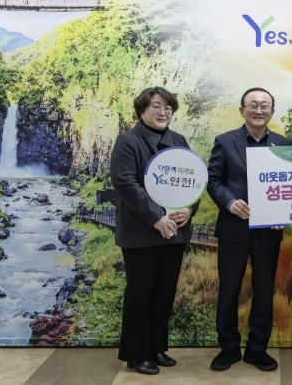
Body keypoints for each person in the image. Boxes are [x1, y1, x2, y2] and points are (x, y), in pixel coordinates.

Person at [110, 87, 198, 375]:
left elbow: (194, 180)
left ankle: (157, 347)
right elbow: (125, 183)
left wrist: (189, 209)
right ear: (142, 110)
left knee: (164, 292)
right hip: (142, 234)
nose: (163, 112)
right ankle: (137, 354)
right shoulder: (128, 141)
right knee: (141, 293)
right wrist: (156, 217)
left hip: (175, 232)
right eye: (157, 106)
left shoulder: (178, 141)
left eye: (168, 108)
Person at [207, 87, 291, 372]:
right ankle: (228, 349)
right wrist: (229, 202)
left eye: (264, 105)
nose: (258, 110)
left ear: (272, 112)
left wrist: (283, 214)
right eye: (253, 105)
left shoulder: (283, 144)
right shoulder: (225, 141)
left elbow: (289, 186)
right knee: (229, 290)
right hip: (234, 228)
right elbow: (214, 181)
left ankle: (257, 349)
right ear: (242, 110)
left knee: (264, 290)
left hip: (268, 231)